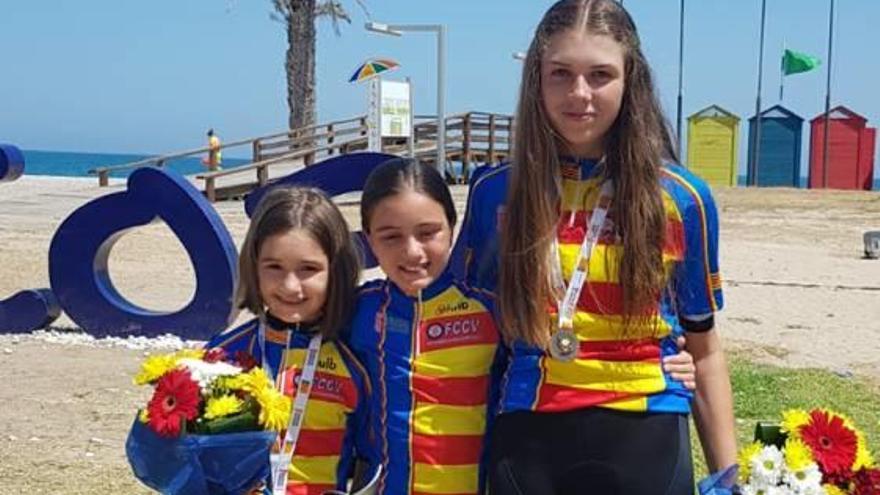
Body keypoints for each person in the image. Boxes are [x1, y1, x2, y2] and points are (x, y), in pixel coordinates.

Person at [456, 1, 737, 494]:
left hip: (648, 430)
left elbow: (705, 350)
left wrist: (731, 481)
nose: (579, 94)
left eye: (600, 74)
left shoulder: (681, 198)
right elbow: (470, 333)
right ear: (536, 80)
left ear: (631, 80)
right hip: (529, 436)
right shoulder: (496, 193)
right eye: (561, 73)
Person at [345, 158, 699, 495]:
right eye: (391, 237)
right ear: (370, 240)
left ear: (453, 229)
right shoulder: (356, 309)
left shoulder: (491, 308)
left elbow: (563, 347)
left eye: (428, 233)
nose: (412, 252)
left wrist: (669, 357)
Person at [205, 186, 378, 494]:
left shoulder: (355, 366)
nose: (289, 286)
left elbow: (373, 461)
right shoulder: (222, 357)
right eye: (274, 267)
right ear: (253, 265)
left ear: (335, 272)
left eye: (308, 269)